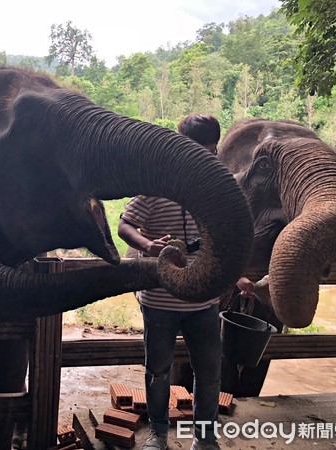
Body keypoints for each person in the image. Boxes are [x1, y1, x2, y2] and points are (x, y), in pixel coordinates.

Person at [118, 114, 222, 450]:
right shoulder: (155, 187)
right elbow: (125, 226)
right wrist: (148, 245)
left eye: (210, 152)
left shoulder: (216, 192)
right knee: (158, 371)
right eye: (197, 151)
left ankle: (204, 438)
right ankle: (158, 434)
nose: (204, 159)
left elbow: (226, 240)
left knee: (208, 374)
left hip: (205, 302)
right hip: (159, 301)